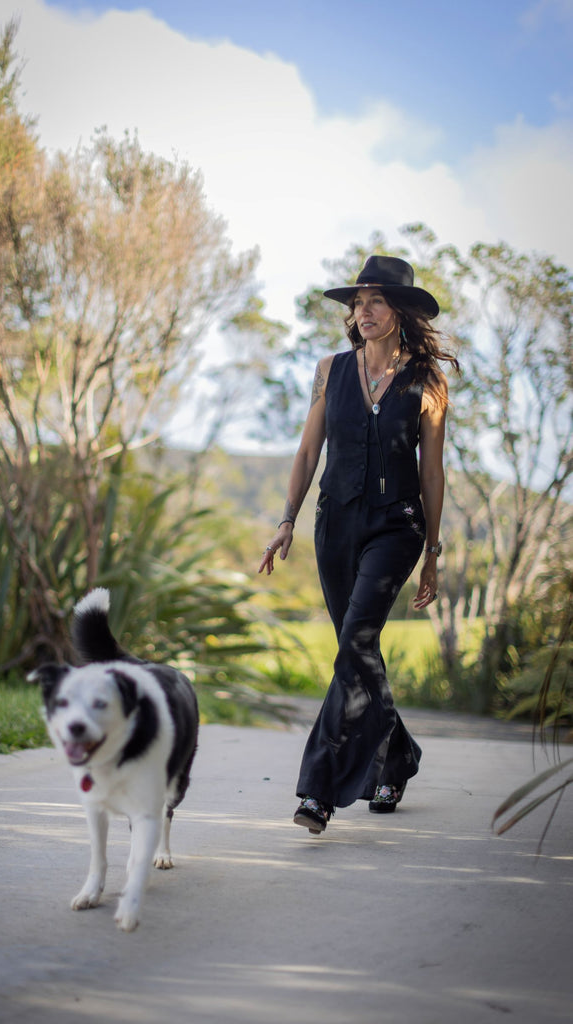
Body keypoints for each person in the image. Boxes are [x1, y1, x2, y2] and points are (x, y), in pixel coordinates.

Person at [258, 254, 459, 834]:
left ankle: (318, 791)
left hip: (397, 526)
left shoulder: (428, 381)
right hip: (335, 525)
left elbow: (433, 473)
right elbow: (306, 452)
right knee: (358, 652)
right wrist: (287, 519)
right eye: (357, 302)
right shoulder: (330, 370)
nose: (362, 311)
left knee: (355, 639)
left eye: (374, 301)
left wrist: (433, 553)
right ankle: (399, 756)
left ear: (399, 312)